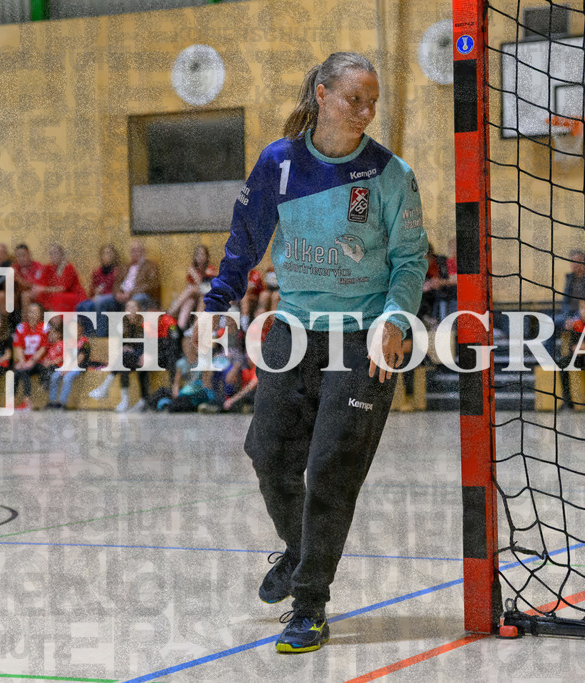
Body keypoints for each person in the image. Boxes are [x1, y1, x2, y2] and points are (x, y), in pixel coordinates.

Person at [202, 52, 428, 654]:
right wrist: (221, 293)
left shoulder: (389, 173)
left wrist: (396, 320)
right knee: (268, 453)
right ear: (323, 95)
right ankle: (300, 552)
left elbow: (410, 260)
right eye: (354, 98)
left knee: (331, 467)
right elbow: (245, 235)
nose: (365, 110)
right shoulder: (279, 163)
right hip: (294, 331)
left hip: (364, 338)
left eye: (372, 101)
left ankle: (309, 603)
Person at [87, 298, 148, 412]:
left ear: (139, 310)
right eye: (127, 307)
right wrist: (125, 348)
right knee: (123, 360)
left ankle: (106, 389)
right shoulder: (125, 325)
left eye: (133, 307)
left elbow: (151, 344)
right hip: (131, 358)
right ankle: (123, 399)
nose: (130, 310)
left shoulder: (146, 324)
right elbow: (123, 345)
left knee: (123, 359)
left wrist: (140, 353)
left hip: (147, 357)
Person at [92, 242, 160, 337]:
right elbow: (116, 283)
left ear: (143, 252)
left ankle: (132, 336)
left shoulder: (150, 266)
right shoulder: (125, 267)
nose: (135, 253)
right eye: (132, 251)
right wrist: (117, 294)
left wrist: (131, 293)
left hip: (140, 295)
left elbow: (152, 285)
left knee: (136, 300)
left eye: (137, 250)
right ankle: (101, 336)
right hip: (122, 295)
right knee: (100, 302)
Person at [168, 245, 219, 331]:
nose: (200, 257)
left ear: (207, 257)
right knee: (189, 301)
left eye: (203, 255)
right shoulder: (193, 269)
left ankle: (170, 313)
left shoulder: (211, 269)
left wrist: (194, 274)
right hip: (196, 296)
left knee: (192, 290)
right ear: (195, 257)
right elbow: (189, 286)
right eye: (198, 255)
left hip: (209, 296)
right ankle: (180, 328)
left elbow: (204, 287)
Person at [75, 244, 122, 335]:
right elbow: (92, 290)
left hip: (112, 298)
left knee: (99, 302)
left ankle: (100, 334)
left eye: (109, 253)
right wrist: (94, 293)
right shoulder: (97, 272)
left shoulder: (118, 271)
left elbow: (118, 289)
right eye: (104, 253)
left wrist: (102, 294)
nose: (106, 256)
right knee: (81, 306)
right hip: (97, 298)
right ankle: (88, 333)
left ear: (114, 255)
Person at [26, 243, 86, 313]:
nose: (53, 256)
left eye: (55, 253)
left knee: (56, 298)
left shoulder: (68, 267)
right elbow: (41, 281)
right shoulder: (49, 267)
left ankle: (54, 322)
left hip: (72, 295)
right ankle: (26, 323)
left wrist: (42, 289)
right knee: (26, 295)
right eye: (51, 254)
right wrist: (36, 289)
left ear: (61, 255)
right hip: (55, 293)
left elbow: (62, 288)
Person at [47, 319, 90, 410]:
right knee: (54, 376)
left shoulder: (85, 342)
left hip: (79, 367)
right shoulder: (70, 341)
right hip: (69, 366)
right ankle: (52, 402)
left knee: (67, 377)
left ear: (81, 329)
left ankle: (62, 403)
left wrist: (68, 369)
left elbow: (80, 358)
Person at [12, 301, 48, 411]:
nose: (32, 315)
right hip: (25, 361)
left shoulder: (45, 327)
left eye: (35, 312)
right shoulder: (21, 327)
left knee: (24, 371)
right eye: (30, 312)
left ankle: (27, 402)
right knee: (15, 372)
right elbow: (18, 347)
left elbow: (43, 348)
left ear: (40, 314)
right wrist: (22, 361)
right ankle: (12, 402)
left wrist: (32, 361)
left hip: (39, 362)